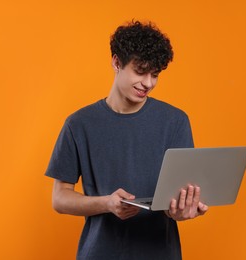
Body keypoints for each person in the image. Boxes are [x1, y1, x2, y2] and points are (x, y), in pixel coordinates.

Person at [45, 20, 208, 260]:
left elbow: (178, 198)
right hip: (101, 253)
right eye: (140, 71)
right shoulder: (78, 124)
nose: (148, 83)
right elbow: (59, 199)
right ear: (116, 62)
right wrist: (107, 204)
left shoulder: (175, 121)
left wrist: (182, 211)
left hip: (160, 253)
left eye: (155, 74)